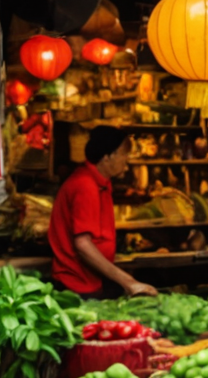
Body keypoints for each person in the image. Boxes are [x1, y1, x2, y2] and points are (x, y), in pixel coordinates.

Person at [48, 125, 157, 298]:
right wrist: (129, 282)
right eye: (123, 154)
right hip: (76, 285)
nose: (126, 160)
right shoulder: (85, 185)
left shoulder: (100, 182)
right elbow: (83, 244)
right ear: (107, 157)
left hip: (90, 281)